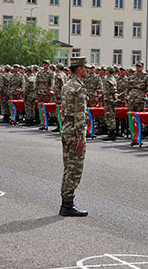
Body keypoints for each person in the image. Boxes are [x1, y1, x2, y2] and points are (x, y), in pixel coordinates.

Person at [59, 56, 89, 217]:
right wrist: (81, 137)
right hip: (74, 131)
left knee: (68, 168)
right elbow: (80, 115)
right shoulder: (78, 88)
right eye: (85, 67)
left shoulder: (66, 85)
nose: (87, 70)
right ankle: (67, 205)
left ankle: (66, 202)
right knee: (75, 169)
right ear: (79, 69)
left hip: (66, 128)